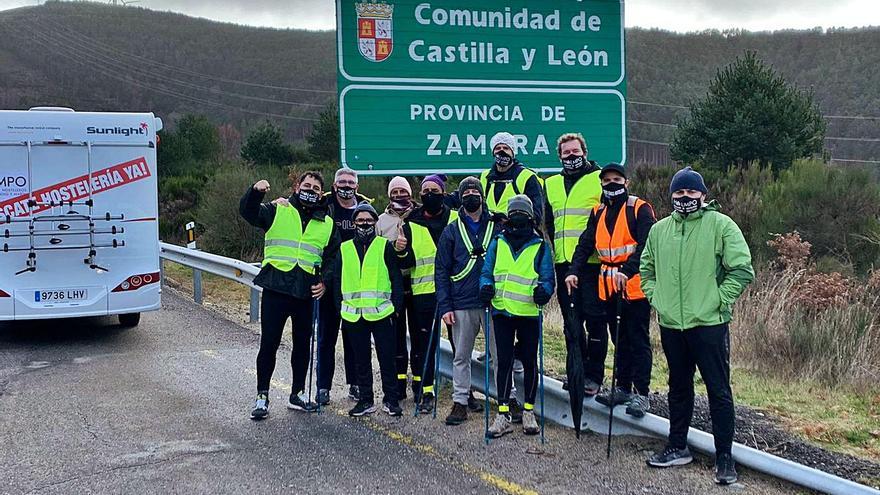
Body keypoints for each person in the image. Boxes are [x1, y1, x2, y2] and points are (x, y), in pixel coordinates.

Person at [641, 167, 754, 485]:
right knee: (678, 388)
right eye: (679, 192)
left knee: (718, 391)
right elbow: (646, 269)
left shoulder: (721, 225)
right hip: (671, 325)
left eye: (692, 192)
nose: (685, 197)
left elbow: (742, 270)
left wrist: (719, 299)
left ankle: (725, 458)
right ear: (671, 195)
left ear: (703, 195)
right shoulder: (660, 230)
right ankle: (677, 447)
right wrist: (656, 297)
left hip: (709, 324)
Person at [238, 171, 340, 420]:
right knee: (269, 344)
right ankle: (262, 396)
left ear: (321, 193)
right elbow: (248, 212)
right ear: (297, 187)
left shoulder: (327, 223)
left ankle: (297, 393)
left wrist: (325, 283)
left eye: (316, 188)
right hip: (276, 287)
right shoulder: (278, 209)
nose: (311, 190)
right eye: (307, 185)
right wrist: (256, 191)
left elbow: (333, 257)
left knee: (302, 345)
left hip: (306, 292)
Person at [564, 162, 656, 418]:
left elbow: (647, 245)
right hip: (608, 285)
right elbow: (585, 244)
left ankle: (642, 394)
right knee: (619, 339)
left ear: (626, 182)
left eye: (617, 179)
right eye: (606, 181)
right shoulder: (599, 211)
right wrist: (573, 271)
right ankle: (623, 387)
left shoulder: (639, 208)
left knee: (638, 339)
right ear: (601, 184)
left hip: (634, 285)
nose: (611, 184)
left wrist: (627, 270)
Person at [436, 177, 509, 426]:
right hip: (461, 302)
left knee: (501, 356)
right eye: (465, 192)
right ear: (460, 198)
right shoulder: (451, 231)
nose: (470, 195)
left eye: (474, 191)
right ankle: (460, 402)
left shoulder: (499, 225)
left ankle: (507, 401)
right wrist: (445, 306)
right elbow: (441, 271)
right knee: (461, 356)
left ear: (482, 196)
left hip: (494, 302)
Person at [479, 195, 554, 438]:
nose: (517, 217)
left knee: (530, 362)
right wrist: (485, 286)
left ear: (530, 216)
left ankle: (529, 411)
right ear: (508, 216)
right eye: (514, 212)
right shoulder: (497, 242)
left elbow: (547, 278)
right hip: (501, 311)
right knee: (503, 362)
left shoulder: (539, 244)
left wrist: (544, 291)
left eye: (522, 212)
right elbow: (486, 272)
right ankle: (502, 414)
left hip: (529, 312)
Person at [543, 132, 604, 396]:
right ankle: (576, 374)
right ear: (559, 156)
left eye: (575, 151)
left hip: (592, 264)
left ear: (585, 152)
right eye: (566, 153)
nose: (571, 156)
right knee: (571, 324)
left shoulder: (599, 179)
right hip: (563, 263)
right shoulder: (551, 184)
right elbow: (549, 221)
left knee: (595, 322)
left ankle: (594, 375)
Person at [394, 175, 458, 412]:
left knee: (458, 344)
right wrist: (399, 250)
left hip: (454, 292)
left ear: (443, 192)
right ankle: (426, 390)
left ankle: (465, 393)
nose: (430, 193)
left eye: (435, 189)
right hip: (424, 292)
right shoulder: (411, 222)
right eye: (425, 190)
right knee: (425, 345)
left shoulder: (455, 217)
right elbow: (406, 262)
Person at [336, 202, 406, 417]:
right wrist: (339, 307)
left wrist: (396, 306)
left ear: (375, 222)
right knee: (361, 360)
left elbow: (395, 276)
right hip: (353, 315)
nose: (364, 224)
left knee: (387, 358)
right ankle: (366, 400)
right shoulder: (344, 248)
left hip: (382, 312)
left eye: (368, 220)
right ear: (354, 223)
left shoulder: (384, 246)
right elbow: (337, 279)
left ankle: (391, 400)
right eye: (360, 220)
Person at [316, 168, 372, 405]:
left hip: (355, 283)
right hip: (328, 282)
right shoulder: (324, 205)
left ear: (357, 187)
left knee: (354, 338)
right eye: (342, 182)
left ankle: (356, 384)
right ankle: (322, 387)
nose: (346, 186)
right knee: (326, 338)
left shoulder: (367, 209)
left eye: (350, 182)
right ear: (334, 184)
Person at [480, 132, 544, 223]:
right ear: (493, 152)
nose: (502, 151)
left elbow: (536, 215)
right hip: (489, 234)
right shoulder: (485, 177)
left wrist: (511, 221)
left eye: (506, 148)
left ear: (513, 152)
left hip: (516, 234)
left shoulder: (527, 177)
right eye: (498, 148)